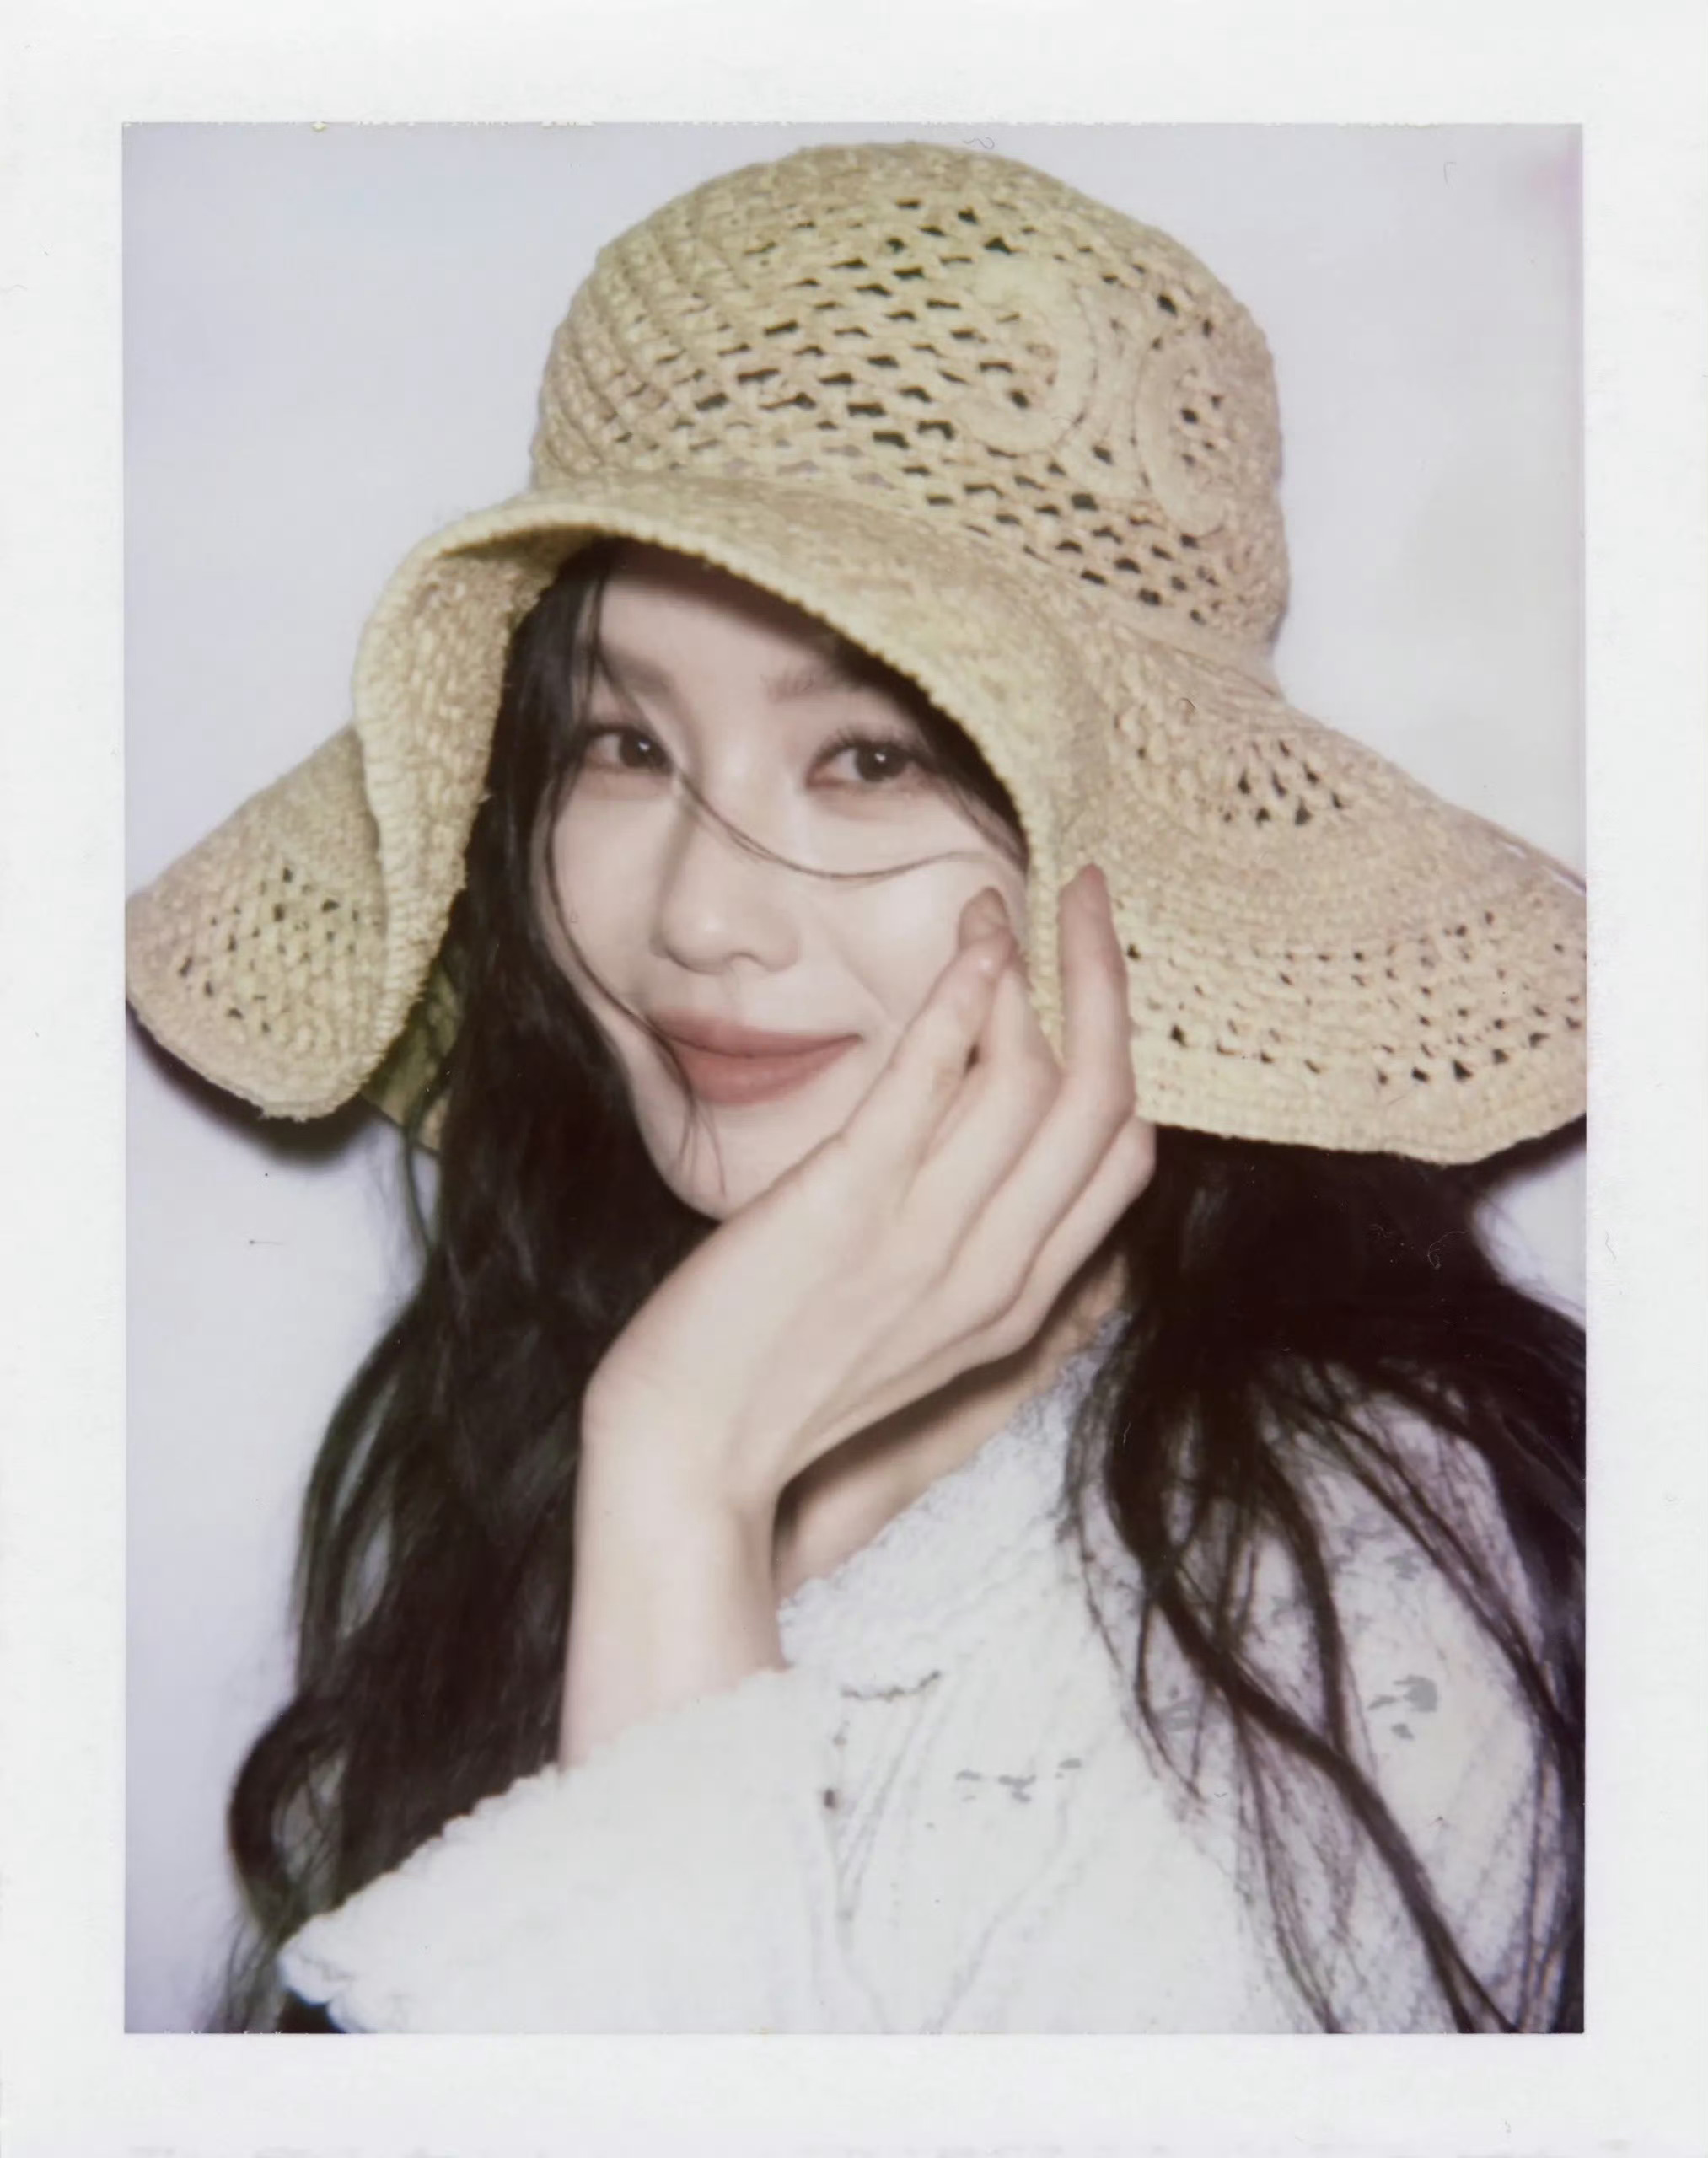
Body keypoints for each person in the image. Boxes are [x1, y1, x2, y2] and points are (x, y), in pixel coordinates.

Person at [125, 140, 1586, 2034]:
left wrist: (682, 1473)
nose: (697, 916)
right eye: (621, 742)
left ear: (1135, 852)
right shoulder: (524, 1384)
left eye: (871, 758)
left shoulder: (1346, 1596)